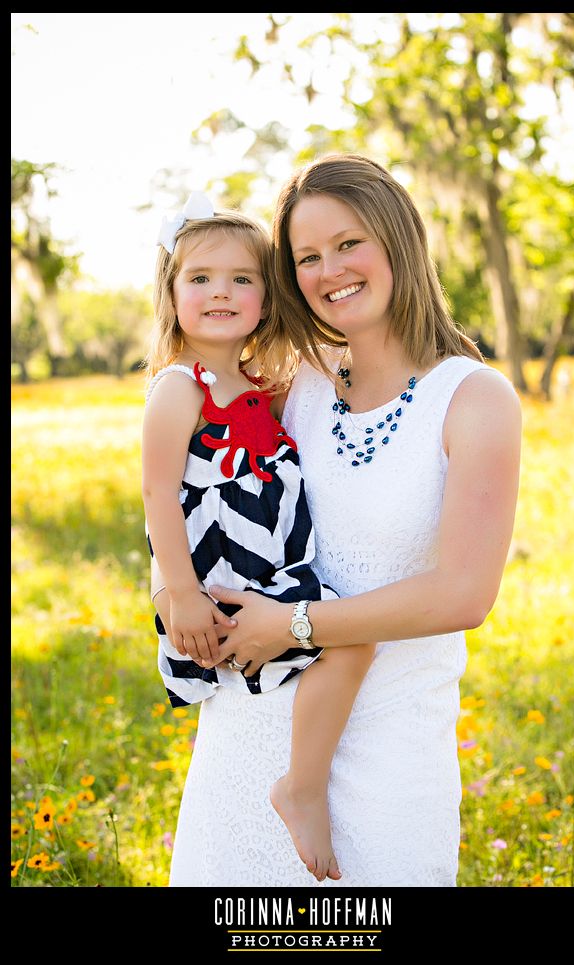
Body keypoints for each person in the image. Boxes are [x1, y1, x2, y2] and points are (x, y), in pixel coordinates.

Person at [158, 153, 522, 888]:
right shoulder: (300, 385)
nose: (330, 271)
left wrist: (292, 626)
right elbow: (194, 487)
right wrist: (173, 586)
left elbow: (464, 595)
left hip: (390, 749)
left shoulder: (475, 398)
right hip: (251, 727)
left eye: (348, 243)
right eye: (307, 257)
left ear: (398, 239)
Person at [142, 192, 376, 884]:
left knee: (349, 636)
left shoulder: (259, 385)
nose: (223, 292)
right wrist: (176, 593)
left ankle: (301, 780)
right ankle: (301, 788)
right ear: (173, 292)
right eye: (202, 278)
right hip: (220, 587)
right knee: (352, 637)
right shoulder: (179, 389)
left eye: (243, 279)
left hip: (271, 574)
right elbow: (157, 494)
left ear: (267, 296)